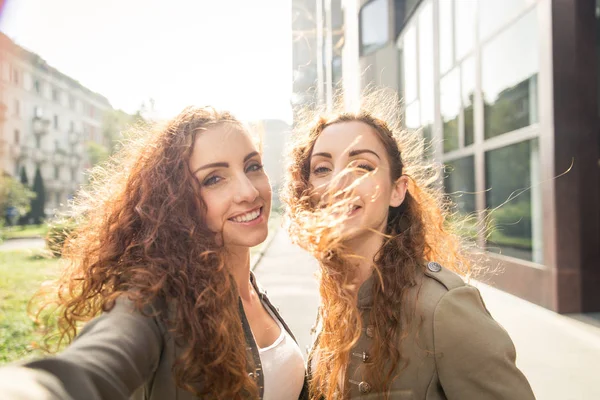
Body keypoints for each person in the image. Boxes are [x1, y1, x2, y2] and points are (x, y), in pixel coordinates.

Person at [0, 106, 307, 400]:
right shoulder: (156, 304)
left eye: (252, 167)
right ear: (176, 201)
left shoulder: (253, 289)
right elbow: (96, 364)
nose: (249, 192)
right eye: (214, 178)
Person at [282, 92, 536, 400]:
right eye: (322, 169)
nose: (339, 181)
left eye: (361, 166)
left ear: (396, 191)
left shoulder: (442, 309)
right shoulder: (334, 299)